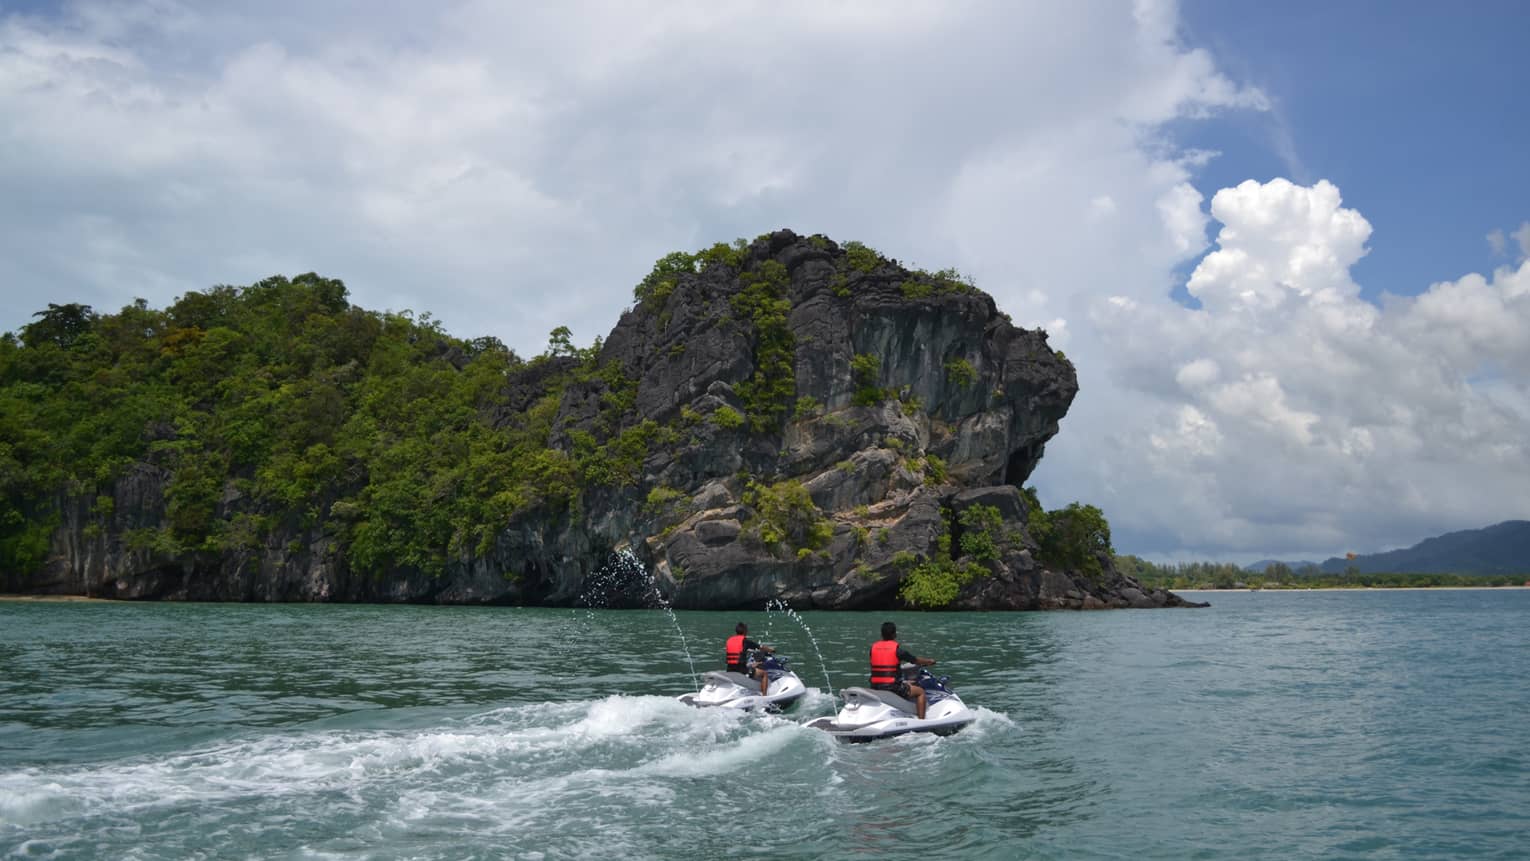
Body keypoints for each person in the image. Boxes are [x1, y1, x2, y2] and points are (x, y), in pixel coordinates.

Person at [869, 620, 936, 719]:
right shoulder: (898, 651)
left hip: (875, 686)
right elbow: (915, 660)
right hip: (892, 687)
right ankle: (922, 721)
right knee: (920, 692)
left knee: (907, 683)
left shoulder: (873, 649)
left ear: (881, 634)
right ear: (894, 634)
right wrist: (929, 661)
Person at [725, 622, 775, 695]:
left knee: (750, 665)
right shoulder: (745, 641)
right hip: (741, 670)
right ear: (745, 631)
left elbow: (737, 651)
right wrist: (771, 650)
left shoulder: (729, 640)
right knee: (764, 674)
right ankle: (765, 697)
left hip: (729, 669)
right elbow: (761, 647)